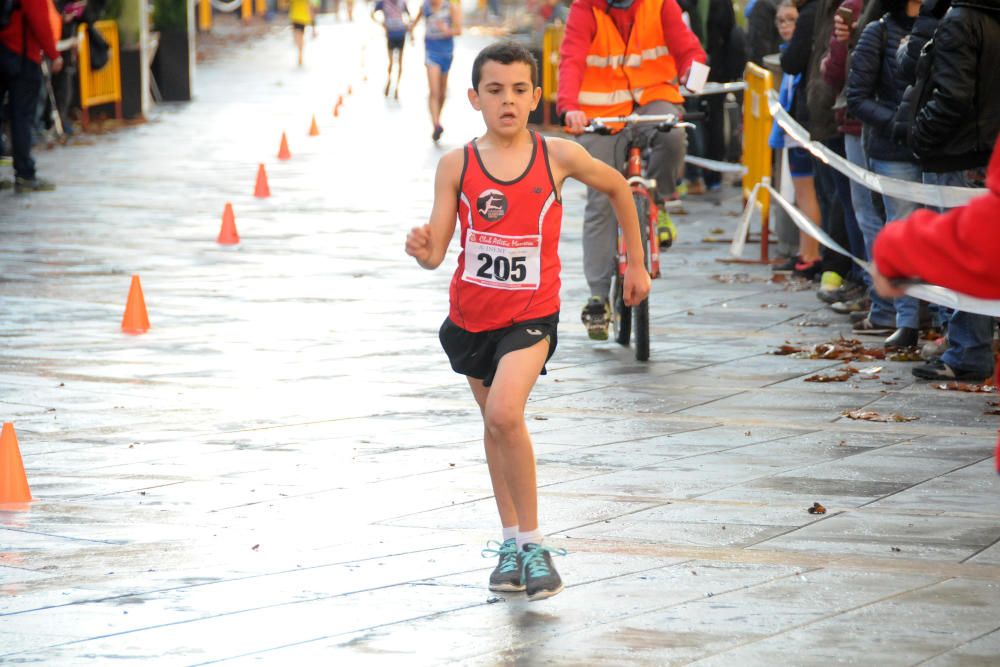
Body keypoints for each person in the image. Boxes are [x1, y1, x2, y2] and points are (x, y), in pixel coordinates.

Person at [404, 41, 651, 600]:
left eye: (519, 90)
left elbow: (619, 188)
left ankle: (536, 547)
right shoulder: (457, 165)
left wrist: (635, 263)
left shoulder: (556, 156)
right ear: (474, 98)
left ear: (535, 96)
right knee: (496, 427)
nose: (507, 101)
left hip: (531, 315)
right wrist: (422, 248)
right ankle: (511, 544)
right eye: (495, 91)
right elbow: (439, 249)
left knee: (505, 410)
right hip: (470, 319)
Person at [557, 0, 704, 340]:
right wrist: (569, 108)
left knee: (674, 138)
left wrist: (691, 73)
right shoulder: (585, 9)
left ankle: (662, 200)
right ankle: (598, 296)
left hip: (654, 97)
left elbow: (689, 49)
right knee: (600, 199)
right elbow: (572, 60)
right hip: (601, 111)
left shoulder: (660, 4)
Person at [902, 0, 1000, 381]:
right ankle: (963, 344)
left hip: (958, 155)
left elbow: (953, 95)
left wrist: (921, 136)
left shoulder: (961, 19)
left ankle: (967, 351)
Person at [846, 0, 926, 349]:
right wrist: (897, 124)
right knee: (902, 231)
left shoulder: (945, 26)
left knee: (937, 232)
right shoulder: (877, 32)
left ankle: (938, 318)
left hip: (936, 147)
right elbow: (857, 97)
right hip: (895, 150)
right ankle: (907, 322)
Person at [769, 0, 824, 277]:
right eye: (780, 21)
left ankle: (811, 253)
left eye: (791, 20)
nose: (786, 26)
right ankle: (806, 250)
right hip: (798, 123)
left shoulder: (809, 24)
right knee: (804, 192)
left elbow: (791, 64)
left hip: (803, 123)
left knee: (806, 191)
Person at [0, 0, 62, 192]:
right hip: (23, 55)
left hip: (4, 50)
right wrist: (53, 54)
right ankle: (25, 174)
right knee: (22, 117)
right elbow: (39, 19)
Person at [409, 0, 461, 142]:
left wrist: (446, 30)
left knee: (442, 92)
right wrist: (411, 32)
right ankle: (436, 124)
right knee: (434, 90)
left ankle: (438, 116)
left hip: (446, 53)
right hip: (431, 53)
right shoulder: (425, 6)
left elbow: (458, 30)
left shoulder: (450, 7)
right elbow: (414, 23)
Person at [372, 0, 410, 98]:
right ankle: (389, 81)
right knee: (391, 62)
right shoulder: (383, 2)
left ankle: (397, 86)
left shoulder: (402, 2)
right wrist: (382, 24)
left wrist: (407, 25)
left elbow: (408, 16)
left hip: (401, 34)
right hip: (391, 34)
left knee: (400, 62)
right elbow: (372, 14)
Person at [288, 0, 316, 67]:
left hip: (297, 19)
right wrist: (313, 27)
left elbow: (310, 9)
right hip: (301, 19)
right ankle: (300, 51)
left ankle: (300, 52)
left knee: (298, 37)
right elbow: (310, 10)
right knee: (299, 37)